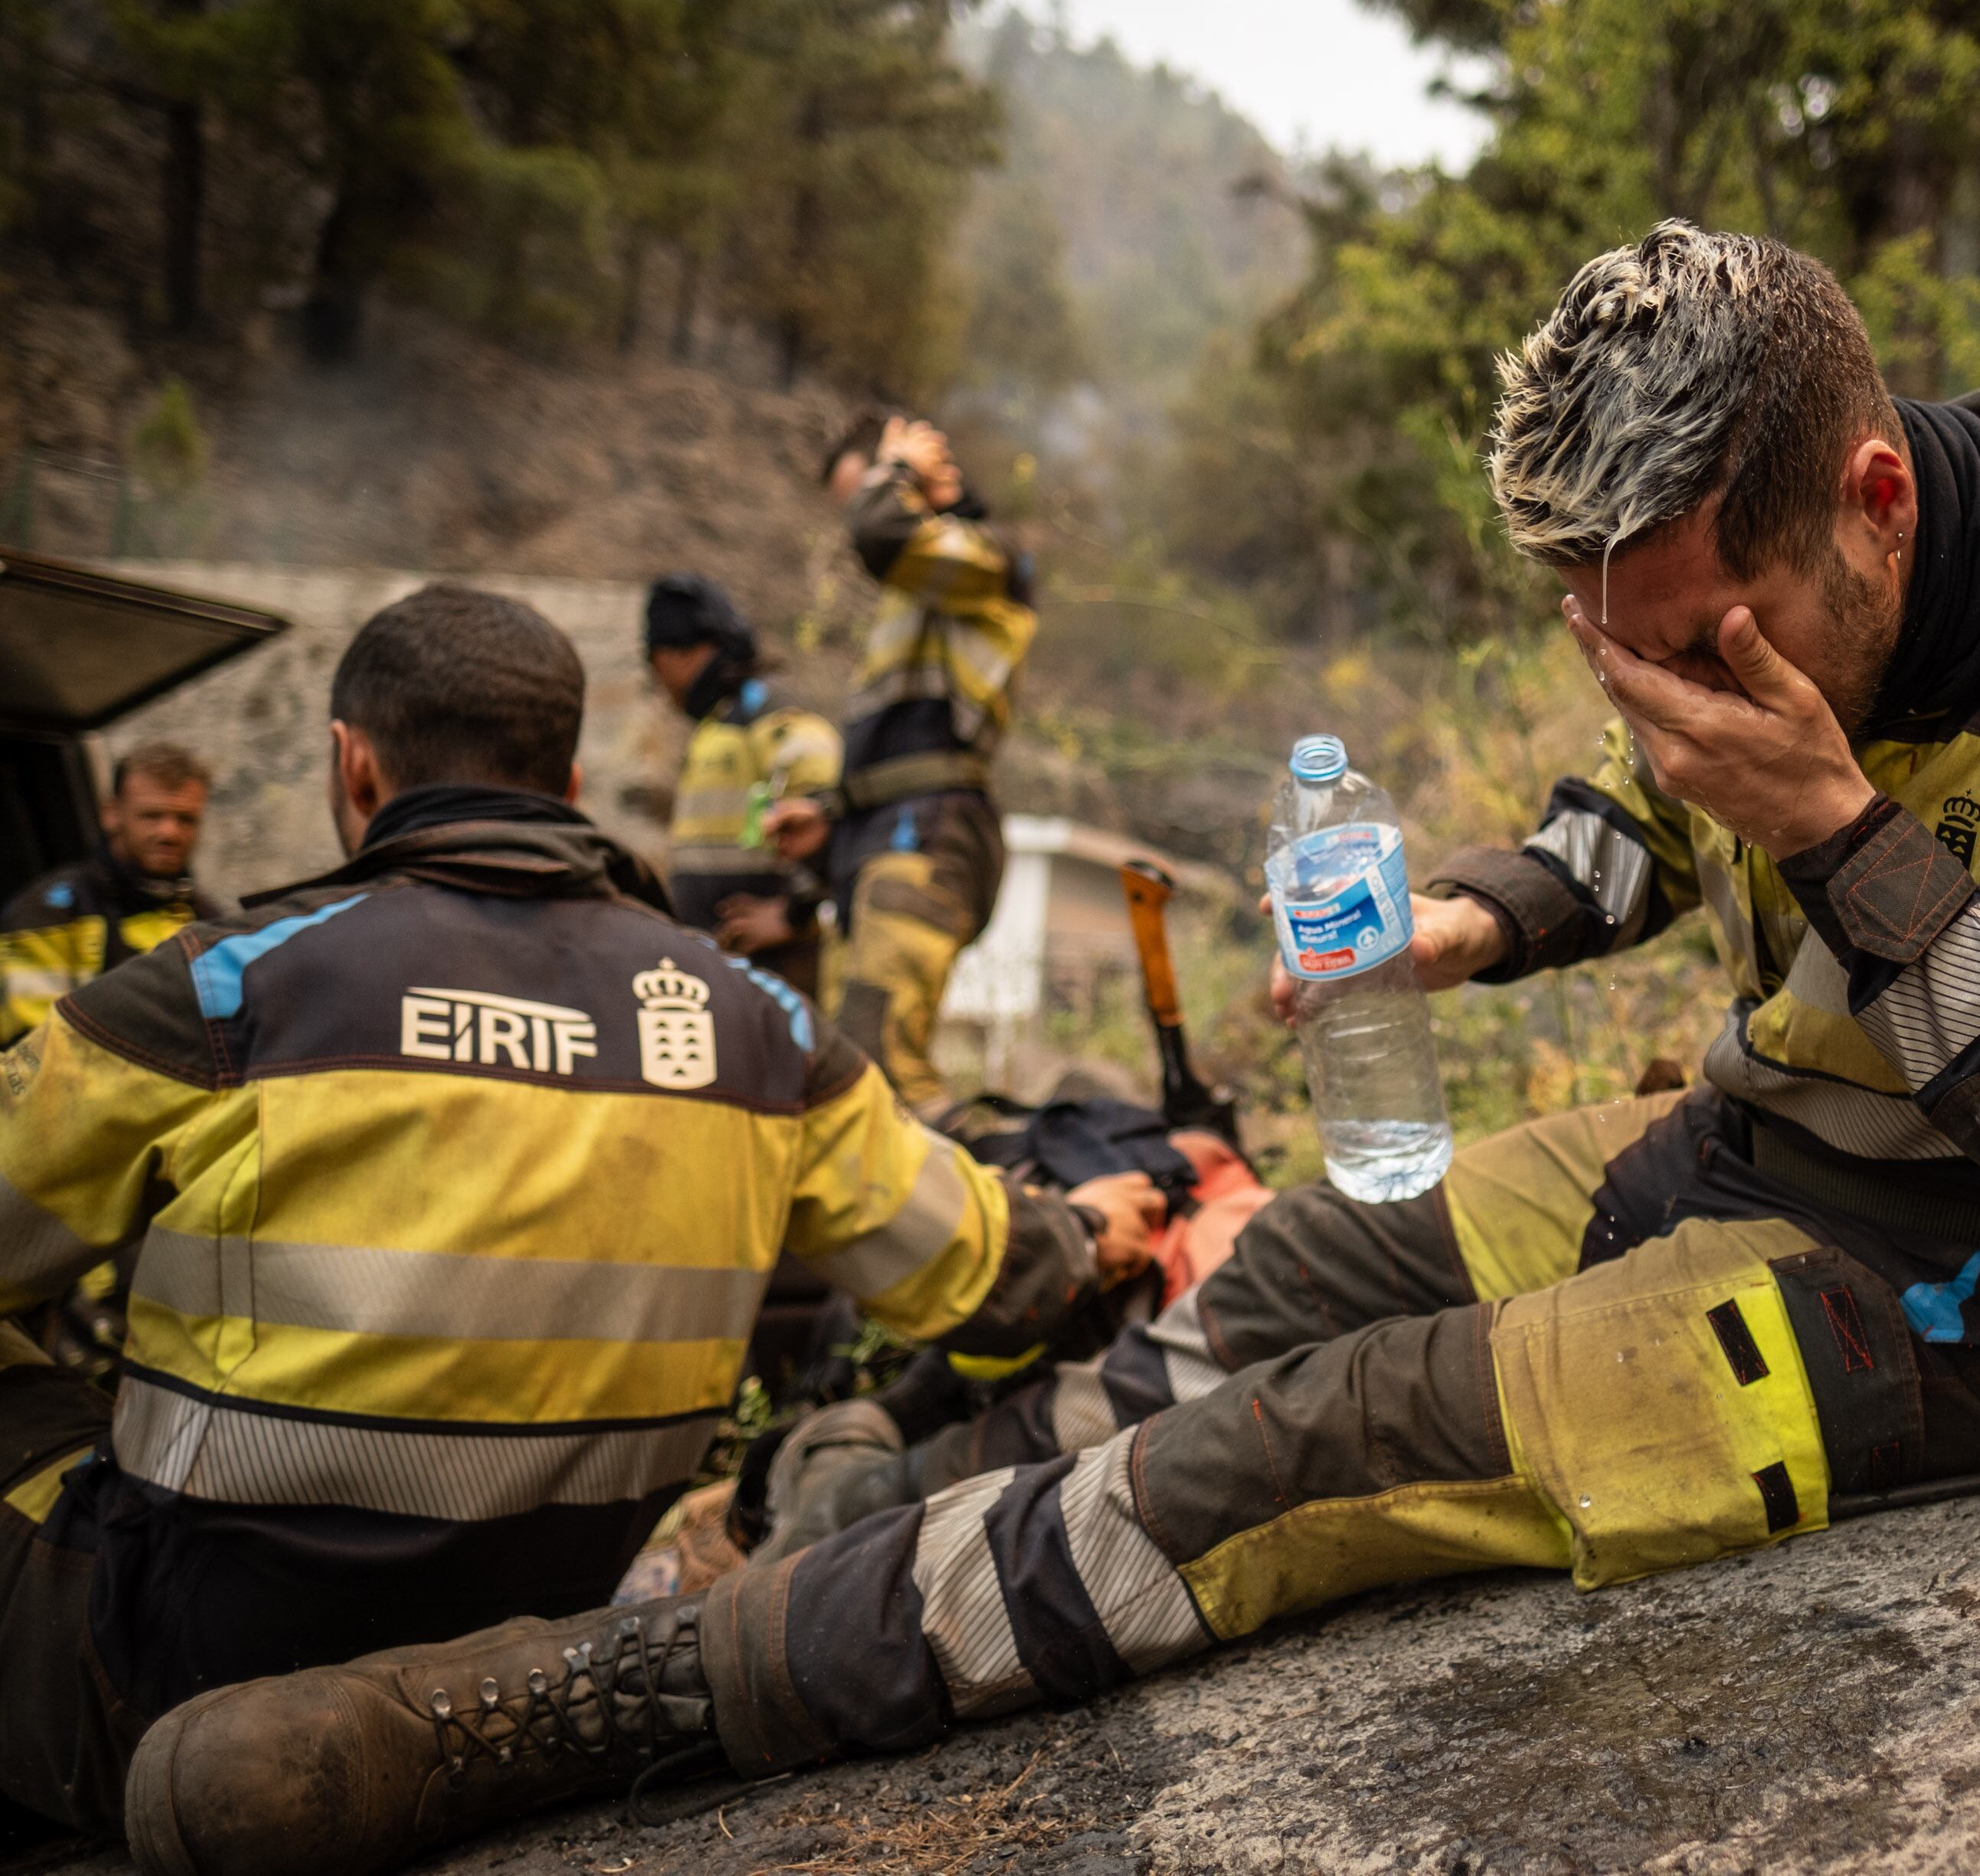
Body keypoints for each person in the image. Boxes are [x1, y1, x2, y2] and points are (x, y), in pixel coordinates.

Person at [120, 227, 1980, 1876]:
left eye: (1695, 656)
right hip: (1749, 1144)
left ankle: (607, 1708)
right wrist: (1465, 911)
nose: (1660, 701)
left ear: (1873, 505)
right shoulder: (1787, 573)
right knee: (1285, 1266)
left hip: (1962, 1302)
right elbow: (1640, 826)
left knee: (1303, 1453)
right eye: (1609, 653)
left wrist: (1834, 829)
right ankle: (770, 1535)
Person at [0, 584, 1160, 1842]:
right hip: (509, 1687)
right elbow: (983, 1274)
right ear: (569, 774)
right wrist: (1088, 1231)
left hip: (154, 1681)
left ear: (353, 762)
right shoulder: (756, 1024)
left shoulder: (226, 987)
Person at [765, 413, 1036, 1123]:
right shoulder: (920, 598)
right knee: (851, 1061)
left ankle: (1012, 1205)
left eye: (878, 486)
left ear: (928, 475)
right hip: (891, 830)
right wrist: (827, 817)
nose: (862, 514)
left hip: (930, 831)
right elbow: (899, 746)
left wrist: (902, 468)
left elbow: (883, 534)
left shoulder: (985, 561)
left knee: (883, 1064)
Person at [641, 573, 842, 998]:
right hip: (723, 975)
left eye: (656, 665)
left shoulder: (765, 712)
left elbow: (832, 810)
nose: (661, 684)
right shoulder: (719, 723)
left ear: (675, 655)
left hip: (773, 981)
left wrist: (794, 915)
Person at [1, 742, 220, 1046]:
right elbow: (35, 1051)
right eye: (152, 816)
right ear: (111, 815)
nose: (170, 833)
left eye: (186, 819)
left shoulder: (208, 916)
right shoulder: (46, 912)